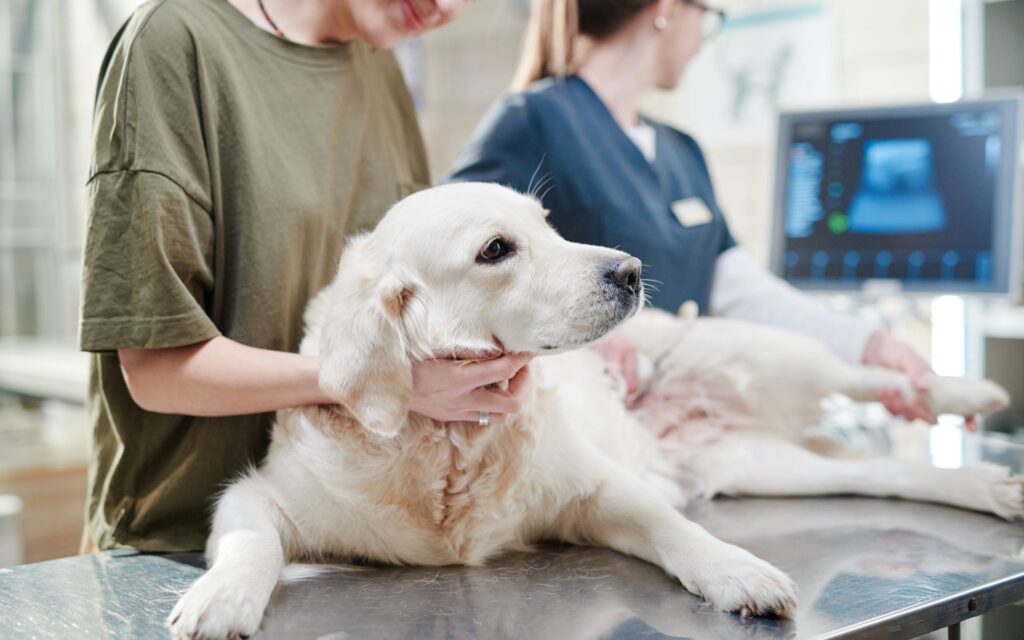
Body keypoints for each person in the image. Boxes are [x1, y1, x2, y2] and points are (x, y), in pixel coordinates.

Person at [79, 0, 532, 554]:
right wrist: (375, 380)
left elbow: (405, 312)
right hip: (178, 550)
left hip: (352, 539)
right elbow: (156, 370)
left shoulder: (379, 65)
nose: (447, 9)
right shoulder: (174, 43)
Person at [448, 0, 936, 423]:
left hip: (683, 425)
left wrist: (869, 345)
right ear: (668, 9)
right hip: (584, 433)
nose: (704, 40)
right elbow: (448, 277)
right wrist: (584, 344)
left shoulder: (682, 150)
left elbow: (741, 291)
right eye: (707, 17)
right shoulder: (531, 121)